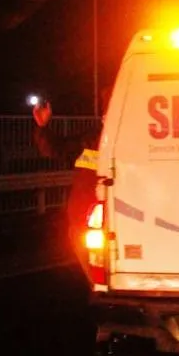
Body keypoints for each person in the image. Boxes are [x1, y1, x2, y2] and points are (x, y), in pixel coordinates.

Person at [33, 97, 105, 279]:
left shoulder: (134, 138)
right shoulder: (90, 139)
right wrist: (43, 127)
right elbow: (57, 149)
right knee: (96, 270)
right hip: (85, 216)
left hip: (112, 215)